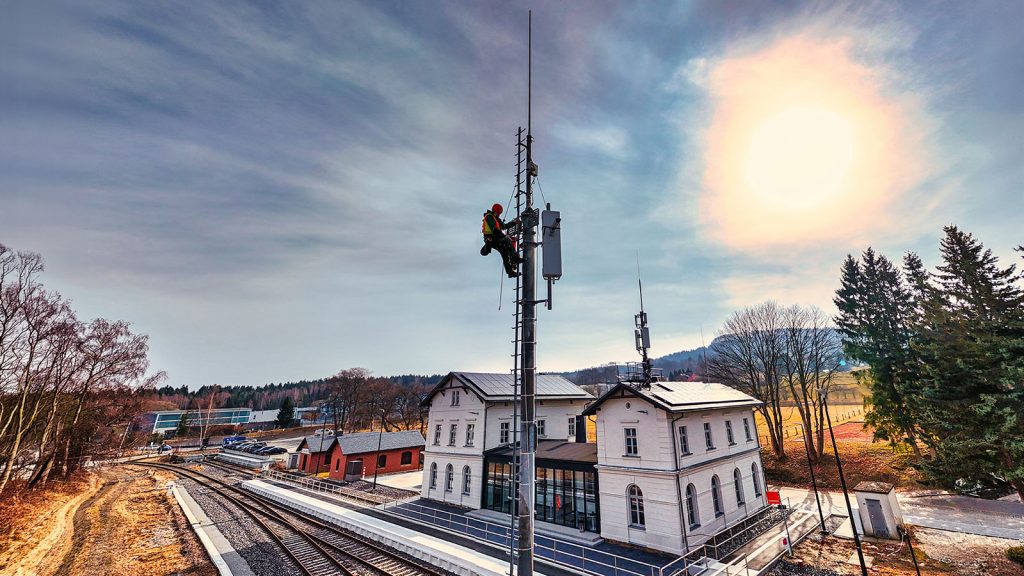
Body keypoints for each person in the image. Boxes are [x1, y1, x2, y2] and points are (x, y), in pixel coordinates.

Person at [481, 203, 522, 277]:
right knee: (507, 240)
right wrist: (503, 236)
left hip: (494, 238)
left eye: (500, 213)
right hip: (491, 238)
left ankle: (510, 272)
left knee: (505, 252)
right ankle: (515, 258)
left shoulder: (496, 219)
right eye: (498, 212)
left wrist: (514, 223)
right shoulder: (489, 217)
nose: (499, 214)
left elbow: (504, 226)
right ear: (495, 211)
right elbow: (495, 230)